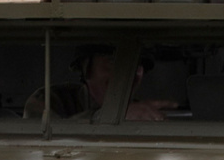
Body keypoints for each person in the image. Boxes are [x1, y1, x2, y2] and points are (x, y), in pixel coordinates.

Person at [24, 46, 176, 121]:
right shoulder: (48, 99)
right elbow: (41, 140)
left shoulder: (140, 114)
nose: (127, 74)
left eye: (137, 64)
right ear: (87, 68)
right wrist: (110, 116)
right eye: (112, 61)